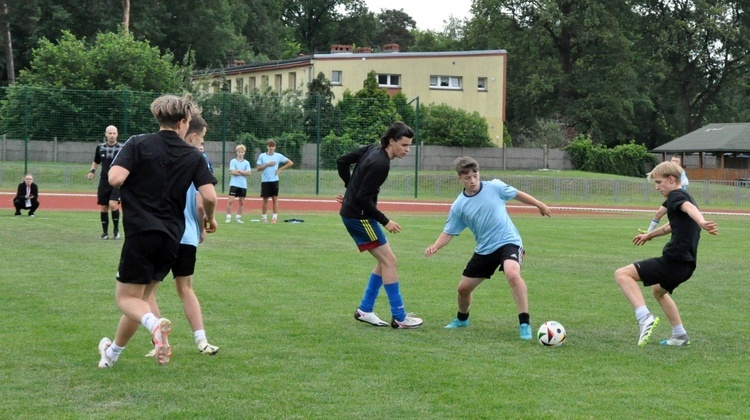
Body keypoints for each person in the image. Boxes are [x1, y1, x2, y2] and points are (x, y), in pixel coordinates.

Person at [97, 94, 218, 368]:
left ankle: (154, 324)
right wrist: (210, 219)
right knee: (138, 299)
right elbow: (209, 197)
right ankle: (112, 355)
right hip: (172, 238)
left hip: (141, 233)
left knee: (126, 298)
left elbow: (115, 177)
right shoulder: (193, 155)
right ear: (184, 122)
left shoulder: (138, 143)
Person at [424, 156, 552, 340]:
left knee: (512, 274)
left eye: (475, 175)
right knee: (463, 289)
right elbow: (449, 231)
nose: (473, 180)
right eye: (467, 177)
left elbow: (517, 194)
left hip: (509, 241)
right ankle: (462, 319)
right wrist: (435, 246)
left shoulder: (495, 187)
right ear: (459, 178)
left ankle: (524, 324)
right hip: (485, 249)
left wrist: (539, 205)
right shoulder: (459, 205)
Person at [615, 160, 717, 348]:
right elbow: (670, 226)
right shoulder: (682, 196)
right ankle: (679, 335)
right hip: (686, 265)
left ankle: (644, 318)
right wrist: (649, 235)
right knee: (658, 290)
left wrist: (702, 222)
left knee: (622, 274)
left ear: (671, 179)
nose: (657, 188)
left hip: (674, 260)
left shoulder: (676, 196)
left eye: (658, 182)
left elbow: (689, 208)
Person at [144, 115, 219, 357]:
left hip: (162, 232)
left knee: (147, 292)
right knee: (186, 288)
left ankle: (160, 340)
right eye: (203, 138)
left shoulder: (162, 154)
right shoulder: (200, 160)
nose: (203, 143)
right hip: (187, 236)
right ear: (193, 135)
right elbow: (202, 202)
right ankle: (202, 340)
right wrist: (204, 224)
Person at [336, 122, 423, 329]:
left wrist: (350, 189)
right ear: (392, 141)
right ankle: (400, 317)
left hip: (356, 213)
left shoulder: (372, 149)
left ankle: (365, 309)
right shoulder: (381, 164)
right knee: (389, 261)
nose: (407, 150)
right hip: (360, 217)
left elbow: (342, 162)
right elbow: (364, 199)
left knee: (385, 261)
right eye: (404, 145)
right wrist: (386, 221)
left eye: (409, 145)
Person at [87, 125, 123, 240]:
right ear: (106, 134)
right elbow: (96, 161)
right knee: (104, 207)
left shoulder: (122, 148)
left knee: (113, 204)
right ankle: (105, 233)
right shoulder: (100, 147)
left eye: (114, 133)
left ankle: (116, 231)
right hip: (104, 180)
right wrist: (92, 171)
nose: (112, 135)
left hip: (117, 180)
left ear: (117, 134)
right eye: (110, 133)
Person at [641, 155, 689, 234]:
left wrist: (675, 182)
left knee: (679, 218)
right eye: (673, 160)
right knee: (659, 214)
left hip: (679, 198)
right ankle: (649, 232)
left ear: (680, 163)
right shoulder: (668, 172)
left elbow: (686, 182)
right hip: (671, 198)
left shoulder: (680, 172)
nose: (674, 162)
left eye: (676, 161)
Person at [256, 139, 294, 223]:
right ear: (267, 147)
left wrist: (280, 169)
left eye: (273, 146)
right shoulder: (262, 156)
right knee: (265, 200)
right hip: (265, 180)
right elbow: (258, 168)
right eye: (270, 146)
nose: (271, 148)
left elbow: (290, 162)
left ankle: (274, 217)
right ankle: (264, 217)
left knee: (275, 199)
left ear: (275, 147)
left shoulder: (278, 156)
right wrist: (267, 164)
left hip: (274, 180)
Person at [226, 144, 252, 223]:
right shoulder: (233, 161)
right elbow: (233, 172)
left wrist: (240, 171)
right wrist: (243, 172)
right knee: (231, 201)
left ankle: (238, 218)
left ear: (244, 153)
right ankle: (228, 217)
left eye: (242, 152)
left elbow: (249, 173)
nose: (240, 153)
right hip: (234, 184)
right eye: (239, 152)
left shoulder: (246, 163)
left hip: (243, 185)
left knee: (241, 202)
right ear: (236, 152)